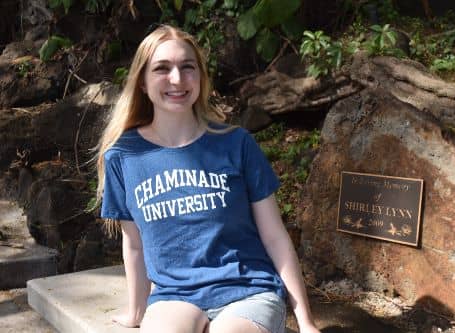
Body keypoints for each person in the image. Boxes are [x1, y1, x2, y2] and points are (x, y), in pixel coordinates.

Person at [96, 24, 320, 333]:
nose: (177, 79)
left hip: (248, 291)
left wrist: (306, 321)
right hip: (174, 298)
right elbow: (134, 245)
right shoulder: (123, 157)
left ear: (200, 77)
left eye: (187, 67)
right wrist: (136, 312)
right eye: (162, 68)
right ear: (143, 83)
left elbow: (275, 236)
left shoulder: (236, 143)